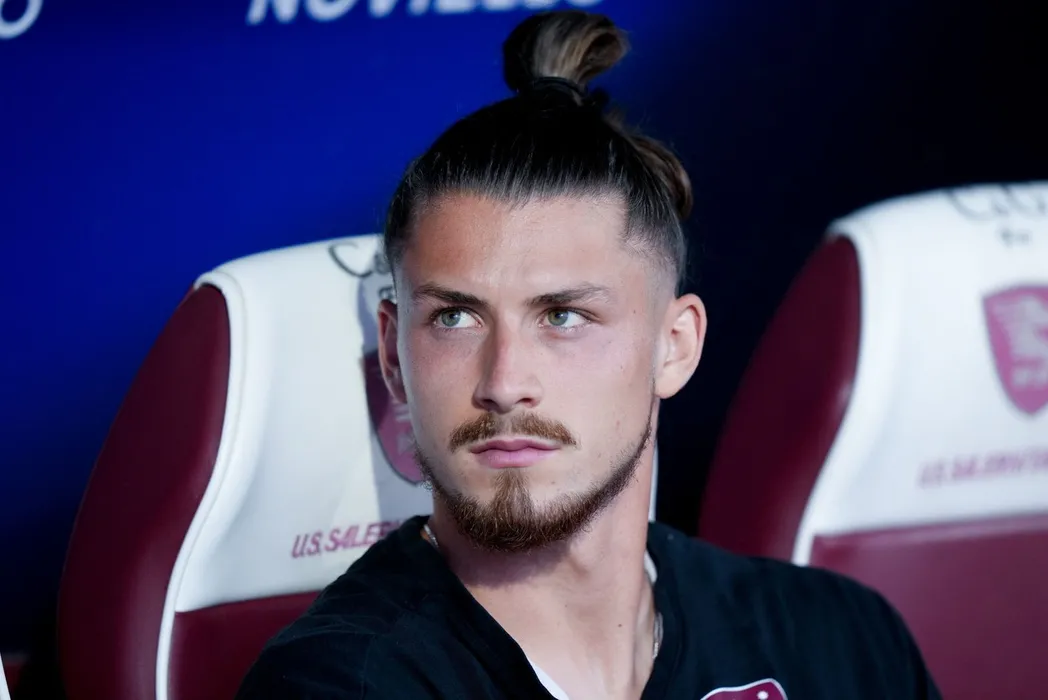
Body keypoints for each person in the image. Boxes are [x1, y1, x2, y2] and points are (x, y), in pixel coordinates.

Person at [236, 10, 941, 700]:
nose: (505, 382)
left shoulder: (840, 641)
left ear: (675, 347)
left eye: (564, 317)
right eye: (455, 318)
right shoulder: (342, 684)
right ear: (393, 355)